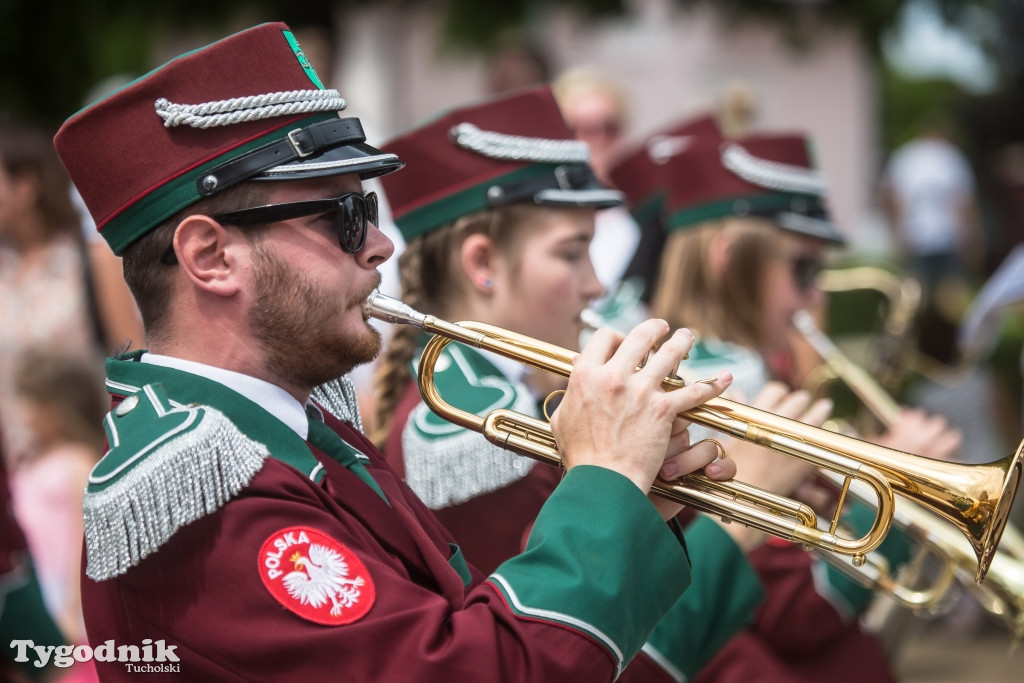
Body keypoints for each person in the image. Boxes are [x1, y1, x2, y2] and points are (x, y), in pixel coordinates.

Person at [54, 22, 739, 681]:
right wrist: (605, 482)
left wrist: (636, 507)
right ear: (211, 256)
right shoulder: (203, 501)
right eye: (345, 216)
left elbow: (464, 614)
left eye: (371, 212)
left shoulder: (302, 435)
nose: (379, 244)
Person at [373, 86, 838, 681]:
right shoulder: (467, 432)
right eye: (572, 254)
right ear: (482, 263)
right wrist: (736, 522)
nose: (597, 285)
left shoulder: (518, 395)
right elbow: (595, 655)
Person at [648, 132, 962, 682]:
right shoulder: (716, 394)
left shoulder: (752, 373)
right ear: (730, 260)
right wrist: (883, 493)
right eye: (804, 271)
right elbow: (796, 609)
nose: (816, 297)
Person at [10, 349, 105, 669]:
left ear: (56, 409)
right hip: (36, 590)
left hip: (65, 599)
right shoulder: (26, 461)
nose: (22, 413)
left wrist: (71, 610)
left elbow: (85, 540)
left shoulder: (77, 460)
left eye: (30, 402)